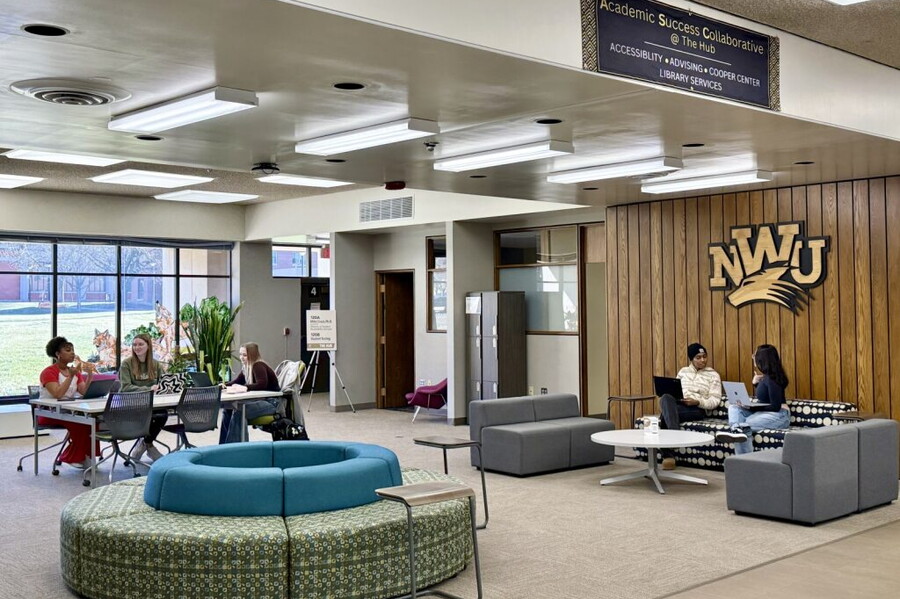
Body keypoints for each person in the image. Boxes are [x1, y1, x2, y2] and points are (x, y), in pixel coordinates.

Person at [715, 344, 791, 454]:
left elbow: (775, 406)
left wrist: (752, 407)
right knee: (734, 408)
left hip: (779, 415)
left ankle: (738, 435)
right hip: (765, 412)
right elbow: (766, 397)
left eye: (754, 355)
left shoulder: (772, 379)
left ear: (762, 359)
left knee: (744, 426)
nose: (753, 357)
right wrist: (755, 384)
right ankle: (737, 429)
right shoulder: (765, 377)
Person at [37, 336, 100, 469]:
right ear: (58, 354)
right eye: (68, 350)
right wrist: (71, 376)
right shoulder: (48, 372)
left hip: (69, 410)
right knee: (80, 423)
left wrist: (89, 375)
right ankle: (75, 457)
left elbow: (83, 391)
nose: (72, 353)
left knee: (93, 421)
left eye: (72, 350)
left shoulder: (74, 372)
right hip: (49, 412)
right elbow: (58, 394)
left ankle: (88, 456)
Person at [658, 343, 722, 471]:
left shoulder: (713, 375)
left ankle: (668, 454)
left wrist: (697, 402)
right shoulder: (683, 372)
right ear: (691, 359)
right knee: (665, 397)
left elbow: (715, 400)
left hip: (697, 409)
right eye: (698, 357)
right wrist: (677, 397)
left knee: (664, 416)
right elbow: (675, 391)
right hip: (679, 405)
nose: (702, 360)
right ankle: (674, 438)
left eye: (704, 356)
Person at [119, 333, 168, 462]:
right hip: (131, 404)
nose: (137, 347)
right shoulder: (126, 364)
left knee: (162, 414)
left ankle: (146, 443)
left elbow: (164, 382)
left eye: (141, 344)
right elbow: (125, 387)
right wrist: (148, 389)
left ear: (148, 346)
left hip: (152, 403)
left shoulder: (156, 364)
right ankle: (149, 446)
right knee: (150, 416)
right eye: (134, 345)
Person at [220, 342, 281, 444]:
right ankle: (224, 446)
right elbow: (237, 381)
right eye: (240, 354)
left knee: (239, 411)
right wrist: (223, 386)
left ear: (252, 355)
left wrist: (245, 387)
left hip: (271, 403)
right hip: (260, 400)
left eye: (245, 355)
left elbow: (262, 384)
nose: (241, 357)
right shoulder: (247, 367)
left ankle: (236, 447)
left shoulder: (258, 365)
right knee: (228, 409)